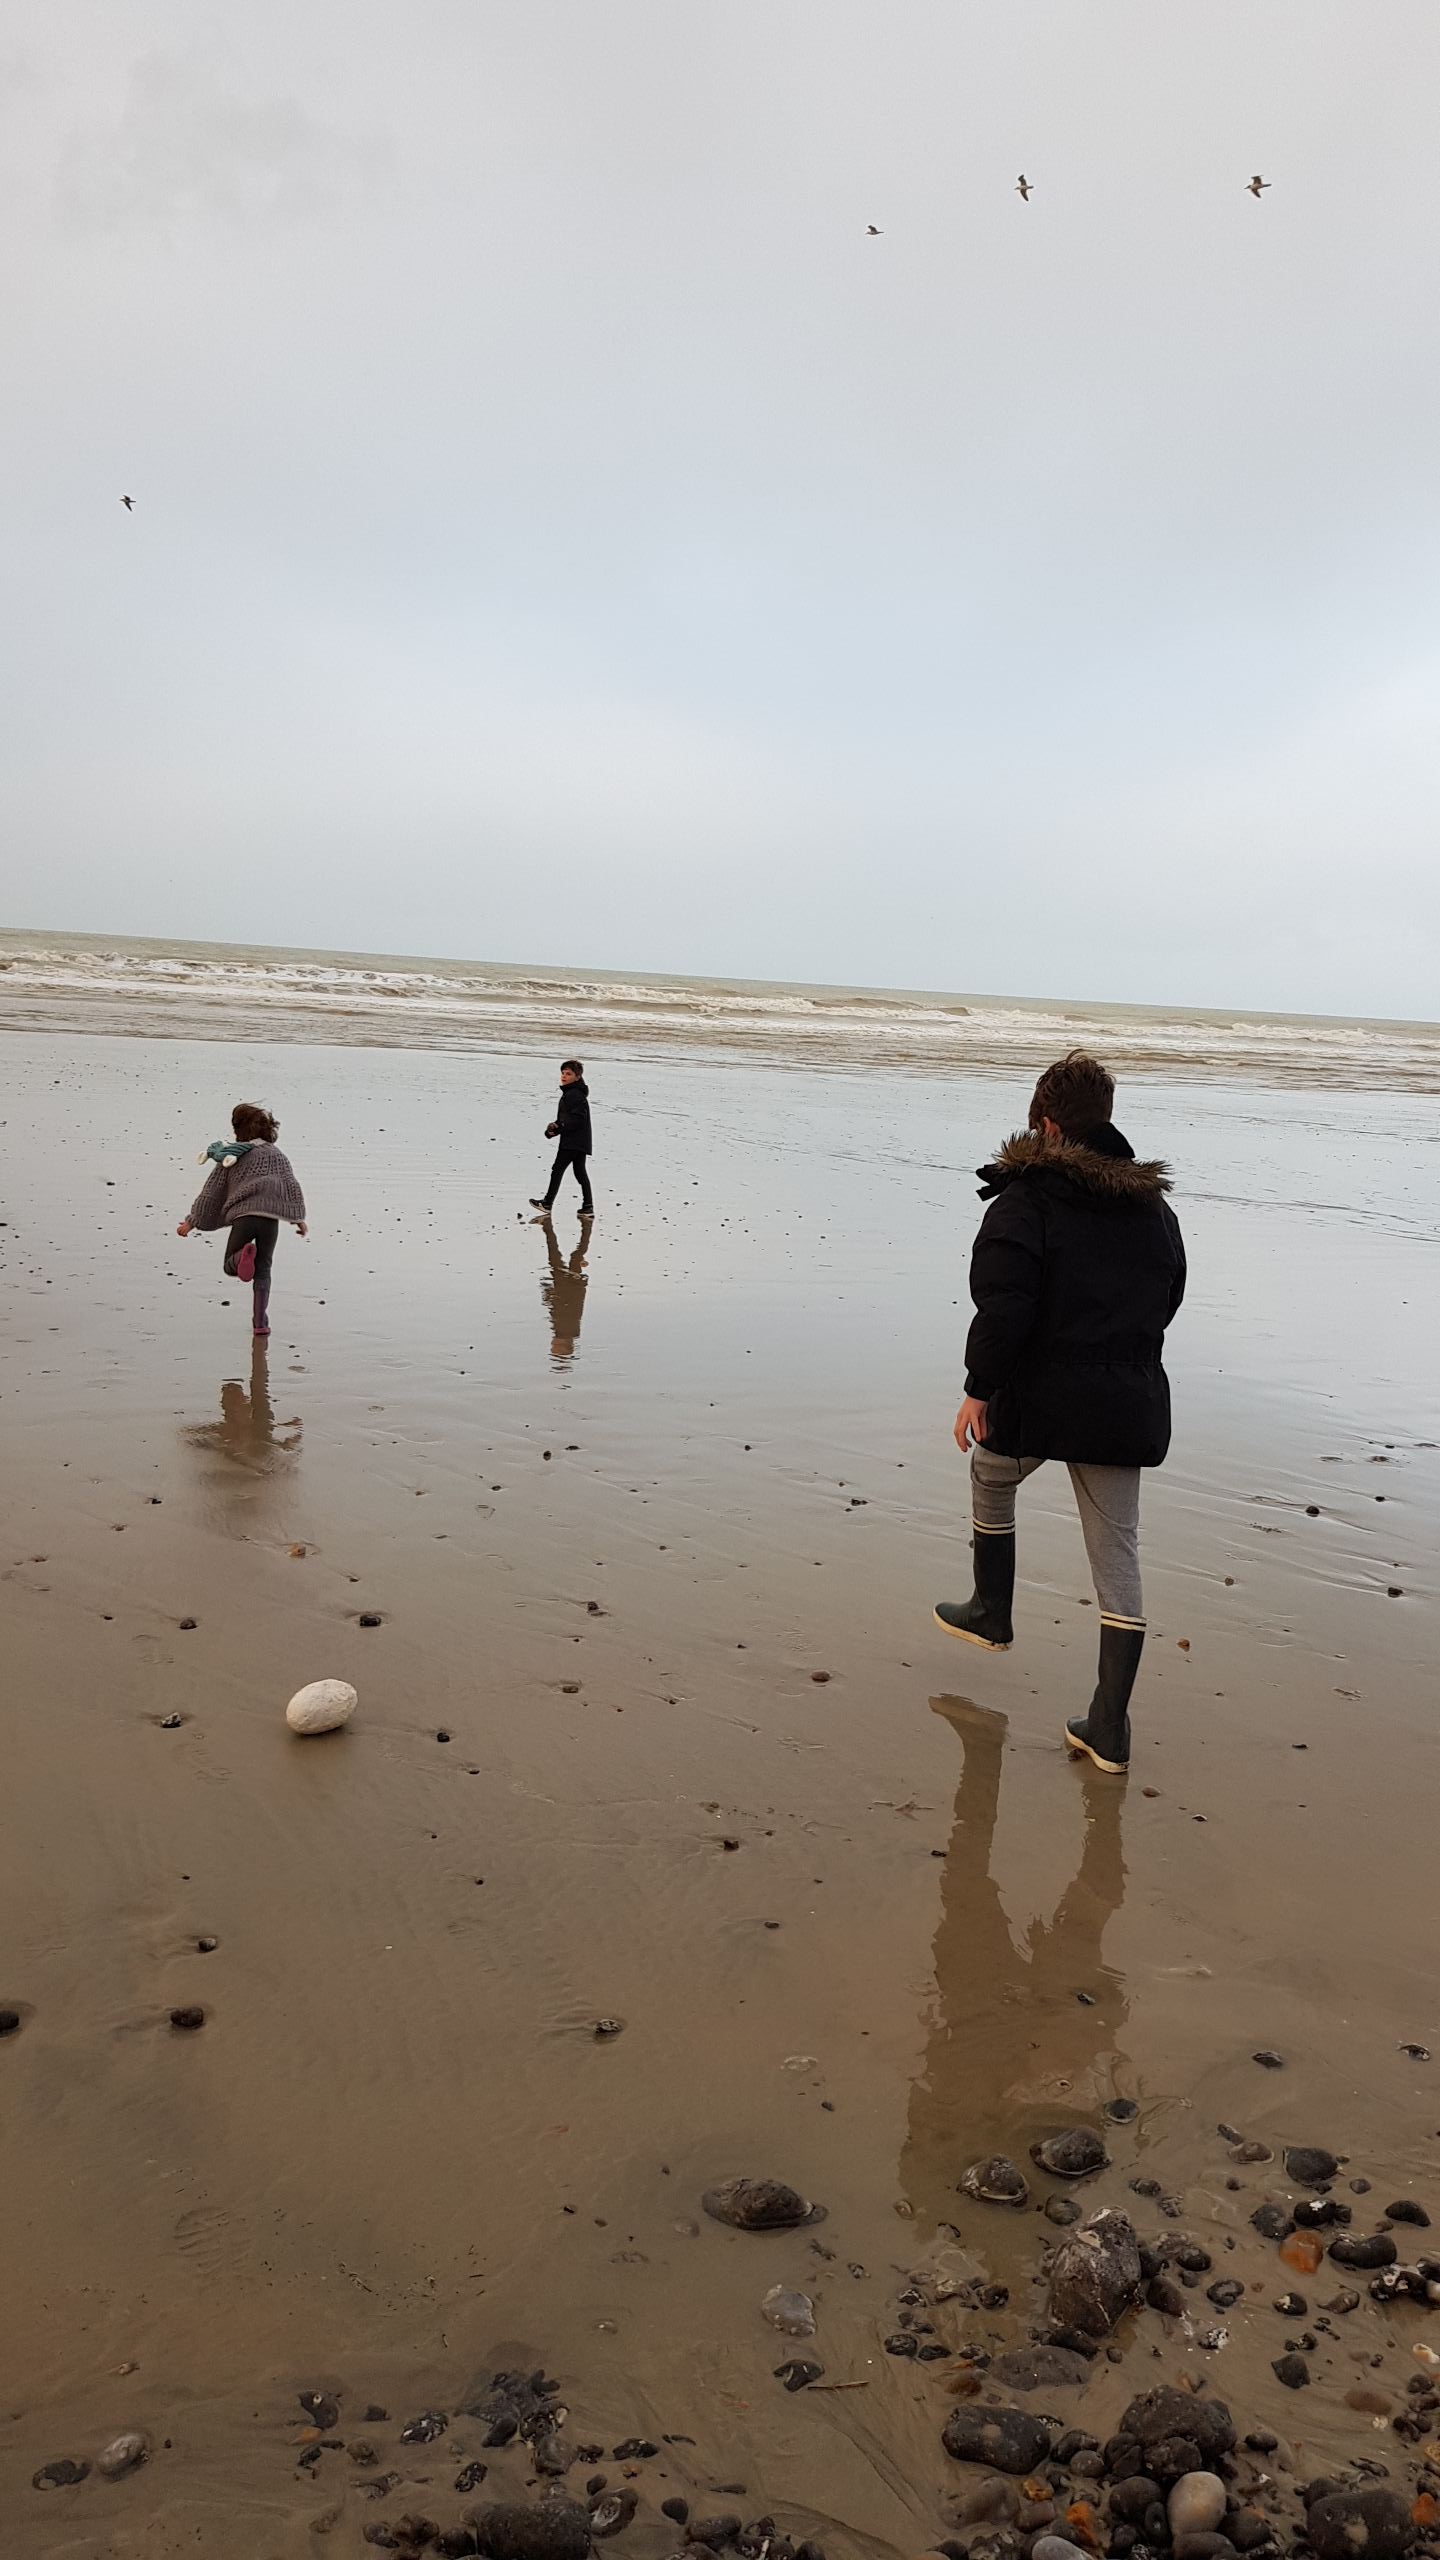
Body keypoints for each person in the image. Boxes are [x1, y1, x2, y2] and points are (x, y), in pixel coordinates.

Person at [934, 1051, 1186, 1774]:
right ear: (1101, 1120)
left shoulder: (1025, 1202)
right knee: (1118, 1556)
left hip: (1043, 1397)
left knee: (991, 1470)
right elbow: (1169, 1293)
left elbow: (1004, 1304)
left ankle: (992, 1611)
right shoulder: (1154, 1209)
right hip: (1125, 1400)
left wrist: (979, 1387)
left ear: (1045, 1126)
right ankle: (1109, 1728)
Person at [177, 1103, 308, 1339]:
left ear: (238, 1130)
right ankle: (260, 1323)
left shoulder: (234, 1154)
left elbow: (212, 1191)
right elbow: (291, 1185)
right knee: (264, 1269)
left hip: (244, 1218)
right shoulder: (278, 1155)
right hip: (270, 1220)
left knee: (230, 1265)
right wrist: (298, 1219)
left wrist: (192, 1221)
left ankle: (243, 1256)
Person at [530, 1059, 594, 1219]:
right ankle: (588, 1207)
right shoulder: (573, 1093)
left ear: (577, 1077)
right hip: (579, 1141)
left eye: (569, 1074)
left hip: (573, 1142)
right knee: (580, 1173)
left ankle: (547, 1203)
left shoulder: (574, 1094)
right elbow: (568, 1119)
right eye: (563, 1073)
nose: (564, 1076)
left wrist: (559, 1126)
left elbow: (578, 1119)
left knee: (557, 1170)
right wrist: (553, 1130)